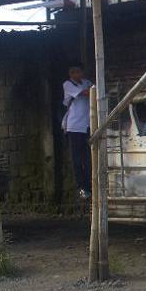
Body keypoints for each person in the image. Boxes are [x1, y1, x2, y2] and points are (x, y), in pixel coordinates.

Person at [62, 62, 93, 200]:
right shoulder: (68, 84)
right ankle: (80, 187)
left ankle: (88, 186)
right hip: (74, 127)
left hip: (87, 126)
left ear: (82, 72)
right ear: (70, 74)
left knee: (87, 159)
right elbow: (87, 93)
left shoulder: (86, 82)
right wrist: (95, 89)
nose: (75, 74)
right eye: (73, 72)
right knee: (76, 160)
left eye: (78, 71)